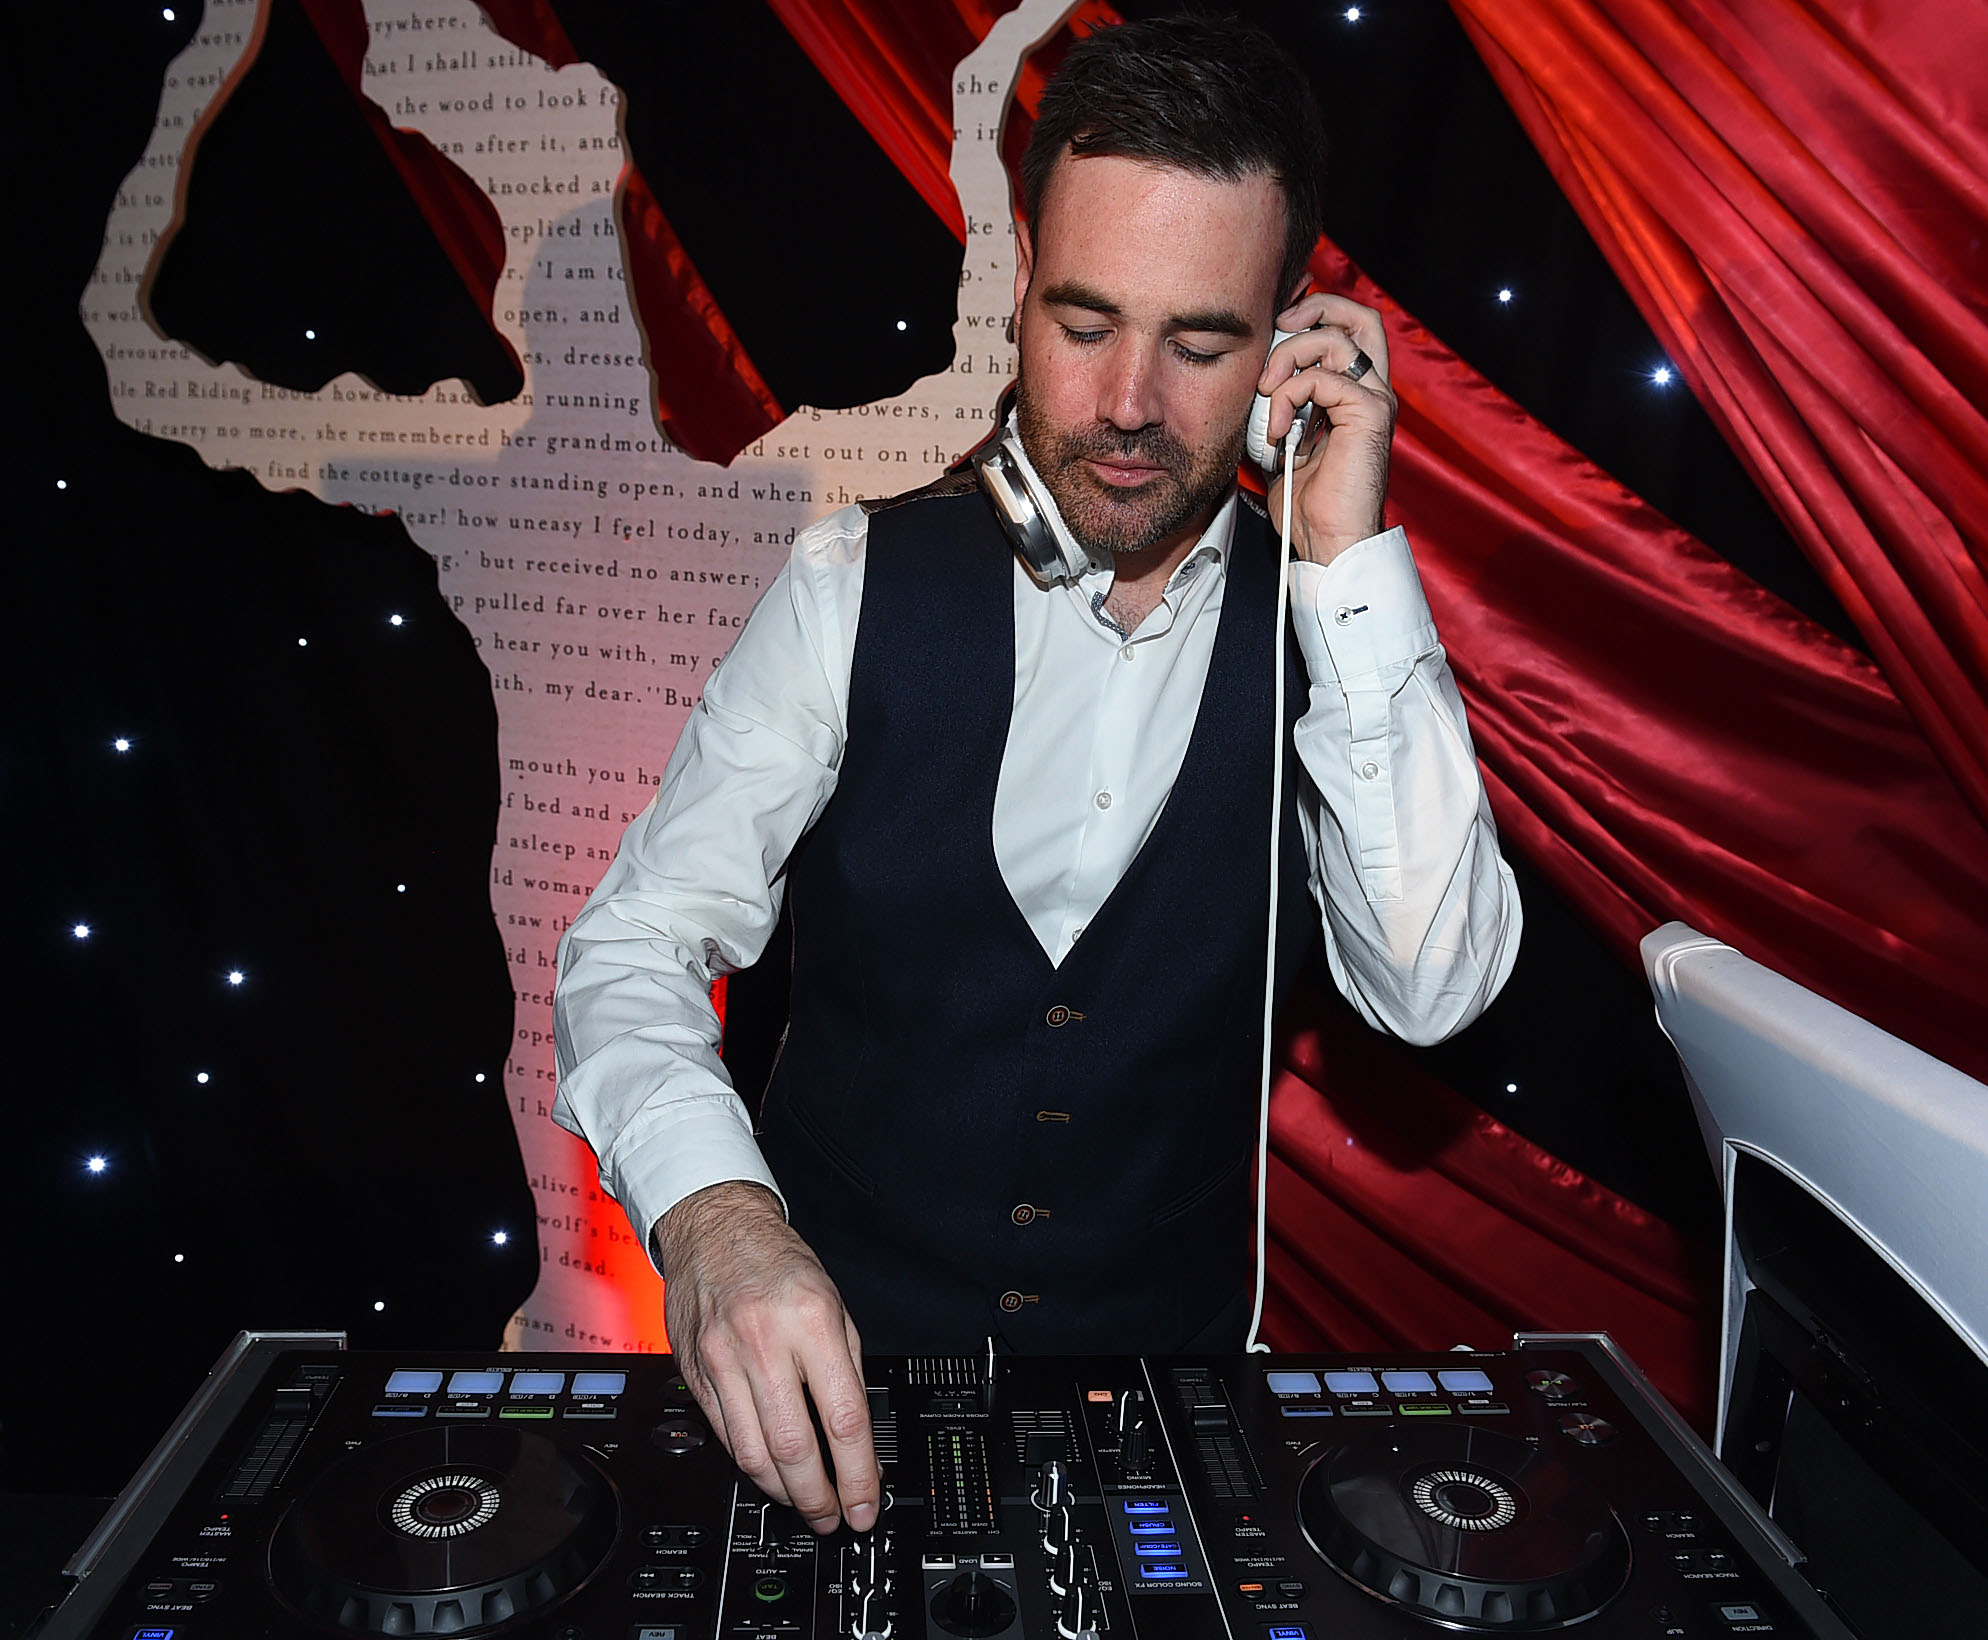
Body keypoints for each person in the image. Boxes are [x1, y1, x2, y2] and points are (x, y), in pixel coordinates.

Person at [552, 15, 1520, 1538]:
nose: (1130, 402)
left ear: (1291, 341)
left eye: (1201, 343)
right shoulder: (848, 585)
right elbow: (634, 943)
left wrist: (1342, 561)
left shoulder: (1337, 640)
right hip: (821, 1414)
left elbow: (1430, 989)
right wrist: (718, 1226)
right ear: (1018, 289)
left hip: (1164, 1423)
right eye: (1084, 324)